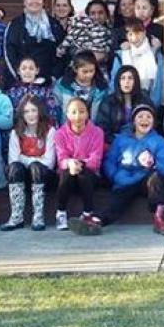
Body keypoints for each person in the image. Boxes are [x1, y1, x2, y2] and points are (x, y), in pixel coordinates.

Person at [91, 104, 164, 235]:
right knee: (117, 201)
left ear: (153, 121)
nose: (144, 120)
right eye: (140, 117)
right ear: (133, 121)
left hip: (145, 180)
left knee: (156, 180)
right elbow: (109, 161)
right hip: (124, 180)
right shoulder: (121, 139)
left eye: (149, 117)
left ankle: (159, 219)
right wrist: (114, 176)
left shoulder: (158, 141)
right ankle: (98, 221)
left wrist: (153, 164)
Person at [1, 95, 56, 231]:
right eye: (26, 111)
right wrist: (34, 160)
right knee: (14, 167)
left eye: (34, 110)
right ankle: (16, 216)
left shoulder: (50, 131)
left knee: (36, 167)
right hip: (23, 176)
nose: (30, 115)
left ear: (40, 111)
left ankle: (38, 216)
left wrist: (26, 159)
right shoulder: (16, 132)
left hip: (43, 176)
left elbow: (49, 162)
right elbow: (13, 159)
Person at [54, 97, 104, 233]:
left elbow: (95, 160)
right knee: (66, 174)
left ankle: (88, 213)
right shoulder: (60, 134)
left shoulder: (97, 133)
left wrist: (80, 163)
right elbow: (61, 159)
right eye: (74, 112)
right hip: (68, 172)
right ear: (67, 114)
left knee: (84, 174)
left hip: (89, 173)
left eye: (82, 112)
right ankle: (61, 213)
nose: (78, 116)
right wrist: (70, 163)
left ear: (87, 113)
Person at [4, 0, 66, 82]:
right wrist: (18, 76)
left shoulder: (54, 24)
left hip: (48, 81)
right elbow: (9, 52)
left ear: (43, 1)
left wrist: (55, 76)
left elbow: (63, 52)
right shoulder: (15, 24)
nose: (35, 1)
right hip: (22, 81)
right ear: (24, 1)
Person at [110, 17, 164, 107]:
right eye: (130, 34)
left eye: (138, 33)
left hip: (150, 102)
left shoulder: (155, 54)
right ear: (126, 36)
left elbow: (161, 81)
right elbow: (114, 81)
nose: (134, 38)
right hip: (125, 102)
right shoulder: (121, 55)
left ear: (144, 32)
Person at [95, 65, 155, 144]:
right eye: (123, 78)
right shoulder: (108, 102)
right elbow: (102, 128)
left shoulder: (144, 100)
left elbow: (152, 124)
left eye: (130, 78)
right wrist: (118, 141)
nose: (127, 82)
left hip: (140, 142)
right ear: (118, 81)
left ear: (136, 81)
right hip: (115, 143)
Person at [6, 55, 62, 127]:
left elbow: (52, 115)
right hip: (19, 131)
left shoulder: (46, 92)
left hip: (41, 131)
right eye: (24, 68)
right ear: (18, 71)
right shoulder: (12, 92)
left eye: (31, 68)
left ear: (37, 71)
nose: (27, 71)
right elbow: (9, 117)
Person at [53, 51, 107, 119]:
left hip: (93, 128)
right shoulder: (63, 85)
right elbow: (56, 108)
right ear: (75, 69)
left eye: (91, 71)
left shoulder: (101, 88)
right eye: (85, 71)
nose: (89, 75)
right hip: (66, 127)